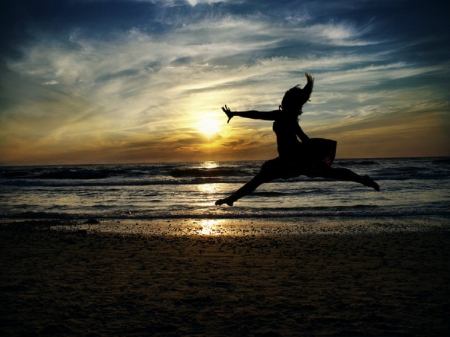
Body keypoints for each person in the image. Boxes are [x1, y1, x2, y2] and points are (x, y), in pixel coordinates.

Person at [215, 73, 379, 206]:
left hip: (294, 158)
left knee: (261, 178)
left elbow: (259, 115)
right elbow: (259, 115)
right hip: (289, 158)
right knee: (330, 173)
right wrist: (235, 113)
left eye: (285, 99)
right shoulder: (288, 117)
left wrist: (235, 113)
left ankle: (231, 199)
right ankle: (362, 179)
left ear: (288, 103)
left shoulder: (284, 116)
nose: (283, 101)